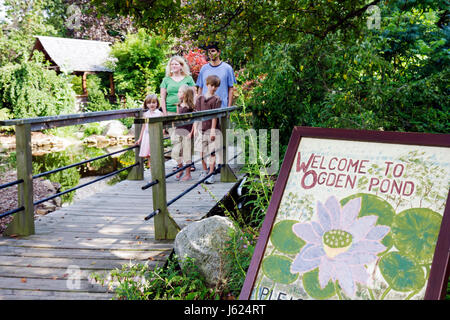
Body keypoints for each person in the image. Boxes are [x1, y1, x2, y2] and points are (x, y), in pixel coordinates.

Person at [194, 75, 222, 184]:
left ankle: (211, 173)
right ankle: (204, 171)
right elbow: (197, 115)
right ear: (207, 85)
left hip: (212, 130)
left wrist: (213, 130)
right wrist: (195, 128)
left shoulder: (216, 100)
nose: (213, 88)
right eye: (211, 85)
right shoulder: (200, 98)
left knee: (211, 152)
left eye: (216, 86)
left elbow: (214, 116)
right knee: (201, 152)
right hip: (202, 129)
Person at [196, 43, 237, 108]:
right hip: (205, 108)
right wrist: (198, 107)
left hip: (222, 108)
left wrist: (228, 108)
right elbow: (200, 89)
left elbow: (231, 89)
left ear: (218, 52)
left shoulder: (227, 68)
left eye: (213, 51)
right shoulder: (204, 69)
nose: (210, 54)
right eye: (209, 52)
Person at [172, 85, 195, 181]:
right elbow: (177, 118)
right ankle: (180, 168)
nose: (178, 94)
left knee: (187, 153)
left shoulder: (191, 107)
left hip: (187, 132)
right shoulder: (179, 105)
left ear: (185, 94)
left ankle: (188, 173)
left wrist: (192, 133)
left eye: (180, 92)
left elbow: (194, 121)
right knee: (176, 152)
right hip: (178, 131)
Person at [135, 94, 163, 168]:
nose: (151, 104)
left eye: (154, 102)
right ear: (146, 104)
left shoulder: (160, 114)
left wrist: (161, 136)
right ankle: (151, 174)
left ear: (157, 103)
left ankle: (156, 173)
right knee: (149, 157)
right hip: (147, 136)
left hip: (155, 136)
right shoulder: (145, 114)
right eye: (149, 103)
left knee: (155, 155)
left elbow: (162, 127)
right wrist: (140, 139)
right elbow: (143, 127)